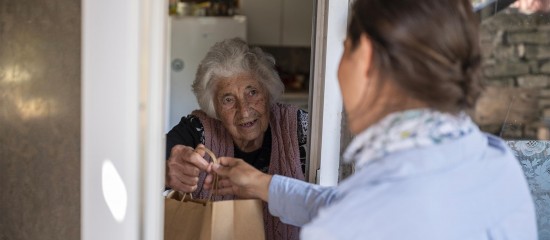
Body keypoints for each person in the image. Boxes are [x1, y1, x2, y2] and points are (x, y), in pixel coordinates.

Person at [204, 0, 538, 239]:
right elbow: (357, 203)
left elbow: (362, 212)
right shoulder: (494, 160)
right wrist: (263, 185)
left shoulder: (344, 228)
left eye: (345, 48)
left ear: (364, 58)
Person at [165, 38, 307, 240]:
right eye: (228, 99)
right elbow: (143, 168)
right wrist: (164, 171)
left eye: (252, 92)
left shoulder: (298, 128)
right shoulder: (196, 130)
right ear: (214, 108)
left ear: (267, 93)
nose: (244, 109)